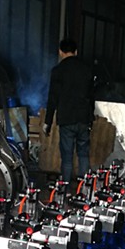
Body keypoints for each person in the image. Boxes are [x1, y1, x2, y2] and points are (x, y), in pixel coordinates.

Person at [43, 38, 94, 183]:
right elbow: (91, 96)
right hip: (84, 118)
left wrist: (47, 122)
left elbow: (52, 98)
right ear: (76, 52)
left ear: (60, 52)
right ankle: (84, 188)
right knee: (83, 155)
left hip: (66, 119)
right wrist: (90, 117)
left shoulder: (57, 71)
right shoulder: (87, 69)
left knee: (67, 158)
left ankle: (65, 189)